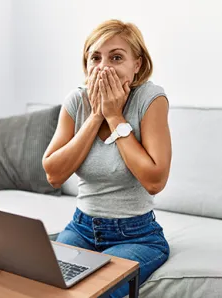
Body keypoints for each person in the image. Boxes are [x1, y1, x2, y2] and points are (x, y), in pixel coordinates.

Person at [42, 19, 172, 297]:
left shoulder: (151, 98)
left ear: (137, 64)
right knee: (46, 286)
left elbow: (155, 180)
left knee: (93, 292)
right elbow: (53, 174)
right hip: (81, 228)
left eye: (116, 57)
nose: (103, 67)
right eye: (95, 58)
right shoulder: (77, 101)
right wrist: (97, 114)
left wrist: (114, 116)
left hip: (138, 235)